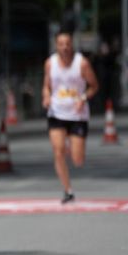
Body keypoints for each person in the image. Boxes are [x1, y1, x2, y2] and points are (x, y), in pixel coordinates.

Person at [43, 32, 98, 203]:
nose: (65, 47)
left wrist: (82, 99)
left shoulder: (81, 63)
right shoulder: (50, 63)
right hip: (57, 112)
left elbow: (94, 86)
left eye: (67, 44)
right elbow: (46, 86)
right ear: (56, 45)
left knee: (77, 160)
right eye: (61, 44)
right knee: (58, 152)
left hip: (77, 115)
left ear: (72, 45)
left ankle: (71, 145)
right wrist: (45, 96)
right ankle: (68, 191)